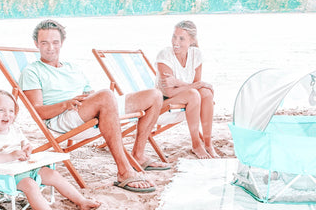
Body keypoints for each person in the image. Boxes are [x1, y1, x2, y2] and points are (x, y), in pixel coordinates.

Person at [19, 19, 169, 194]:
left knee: (154, 95)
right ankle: (124, 171)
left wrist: (93, 97)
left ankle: (138, 154)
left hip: (87, 108)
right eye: (44, 43)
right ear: (36, 44)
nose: (50, 47)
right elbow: (38, 112)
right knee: (106, 95)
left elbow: (88, 92)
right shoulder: (31, 71)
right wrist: (66, 104)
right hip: (63, 116)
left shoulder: (72, 67)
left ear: (62, 43)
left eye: (55, 42)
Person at [0, 90, 101, 210]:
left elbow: (25, 143)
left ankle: (81, 201)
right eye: (1, 110)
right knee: (31, 186)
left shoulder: (15, 130)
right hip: (7, 176)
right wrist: (11, 156)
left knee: (52, 174)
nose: (7, 115)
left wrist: (27, 148)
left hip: (25, 167)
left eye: (11, 111)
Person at [155, 20, 218, 159]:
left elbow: (198, 86)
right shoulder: (164, 55)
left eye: (181, 38)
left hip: (187, 98)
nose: (175, 42)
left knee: (206, 94)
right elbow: (170, 92)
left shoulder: (196, 54)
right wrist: (194, 85)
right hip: (164, 102)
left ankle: (208, 144)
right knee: (193, 94)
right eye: (174, 36)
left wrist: (178, 82)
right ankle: (196, 144)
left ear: (192, 40)